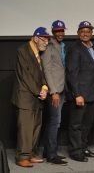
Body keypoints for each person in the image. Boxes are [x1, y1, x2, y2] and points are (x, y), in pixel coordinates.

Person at [11, 27, 52, 167]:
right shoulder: (23, 51)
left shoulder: (39, 54)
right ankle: (22, 156)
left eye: (48, 40)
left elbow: (42, 74)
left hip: (37, 98)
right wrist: (39, 91)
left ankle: (30, 154)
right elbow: (25, 75)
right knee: (25, 128)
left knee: (36, 127)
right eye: (44, 39)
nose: (46, 42)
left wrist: (45, 88)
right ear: (35, 38)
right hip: (25, 98)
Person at [66, 21, 94, 162]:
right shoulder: (74, 49)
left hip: (92, 94)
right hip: (80, 94)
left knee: (87, 124)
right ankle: (75, 151)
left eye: (88, 31)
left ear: (92, 33)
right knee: (76, 125)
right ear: (78, 33)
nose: (85, 34)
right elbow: (71, 74)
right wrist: (77, 94)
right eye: (82, 31)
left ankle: (83, 147)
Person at [41, 20, 68, 165]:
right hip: (54, 90)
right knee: (55, 121)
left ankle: (48, 152)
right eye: (58, 31)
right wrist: (54, 92)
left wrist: (62, 91)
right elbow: (47, 70)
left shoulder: (62, 46)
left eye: (62, 31)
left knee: (53, 121)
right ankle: (51, 155)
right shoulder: (49, 47)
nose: (60, 33)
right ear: (53, 32)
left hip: (61, 89)